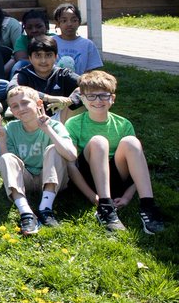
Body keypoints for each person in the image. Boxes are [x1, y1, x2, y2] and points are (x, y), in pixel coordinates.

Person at [64, 70, 165, 234]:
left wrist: (127, 197)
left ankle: (148, 206)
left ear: (112, 98)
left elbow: (136, 165)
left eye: (103, 95)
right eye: (91, 96)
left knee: (132, 142)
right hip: (90, 177)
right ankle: (105, 208)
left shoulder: (123, 124)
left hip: (117, 178)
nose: (98, 100)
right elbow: (71, 165)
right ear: (82, 98)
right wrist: (91, 196)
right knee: (99, 141)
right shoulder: (73, 124)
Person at [0, 86, 77, 235]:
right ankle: (26, 212)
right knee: (5, 157)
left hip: (52, 178)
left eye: (25, 103)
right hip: (27, 179)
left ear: (38, 104)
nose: (21, 108)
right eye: (15, 106)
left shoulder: (55, 125)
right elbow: (8, 164)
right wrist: (2, 139)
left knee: (54, 149)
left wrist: (47, 130)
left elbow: (71, 155)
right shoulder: (11, 128)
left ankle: (45, 208)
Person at [52, 3, 103, 74]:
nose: (69, 24)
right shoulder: (51, 42)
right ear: (57, 23)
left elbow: (93, 70)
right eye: (64, 21)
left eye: (74, 20)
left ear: (79, 22)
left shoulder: (87, 45)